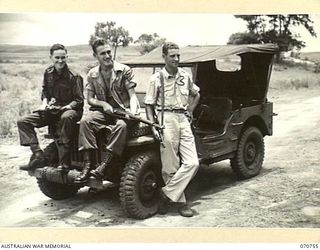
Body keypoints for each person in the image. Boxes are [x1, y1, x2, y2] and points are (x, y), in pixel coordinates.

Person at [144, 42, 200, 217]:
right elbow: (148, 104)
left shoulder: (185, 75)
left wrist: (190, 109)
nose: (176, 59)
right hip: (165, 118)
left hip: (183, 118)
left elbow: (196, 93)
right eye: (172, 56)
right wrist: (153, 124)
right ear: (164, 57)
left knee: (193, 162)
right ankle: (182, 203)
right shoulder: (156, 78)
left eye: (178, 56)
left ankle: (166, 193)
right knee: (170, 165)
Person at [75, 38, 140, 184]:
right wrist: (102, 103)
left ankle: (104, 166)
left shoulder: (124, 71)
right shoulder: (92, 74)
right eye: (103, 53)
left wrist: (134, 112)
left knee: (122, 126)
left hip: (123, 111)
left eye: (109, 52)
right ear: (95, 56)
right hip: (104, 112)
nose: (107, 56)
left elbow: (133, 95)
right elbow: (90, 99)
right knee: (85, 121)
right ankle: (87, 165)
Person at [17, 44, 84, 171]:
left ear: (67, 57)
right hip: (53, 110)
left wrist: (67, 107)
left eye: (63, 57)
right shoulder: (48, 73)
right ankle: (38, 155)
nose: (60, 61)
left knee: (65, 118)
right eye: (57, 57)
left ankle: (64, 163)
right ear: (51, 57)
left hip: (72, 111)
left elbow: (79, 100)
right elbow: (45, 92)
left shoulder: (74, 76)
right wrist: (44, 104)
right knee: (23, 121)